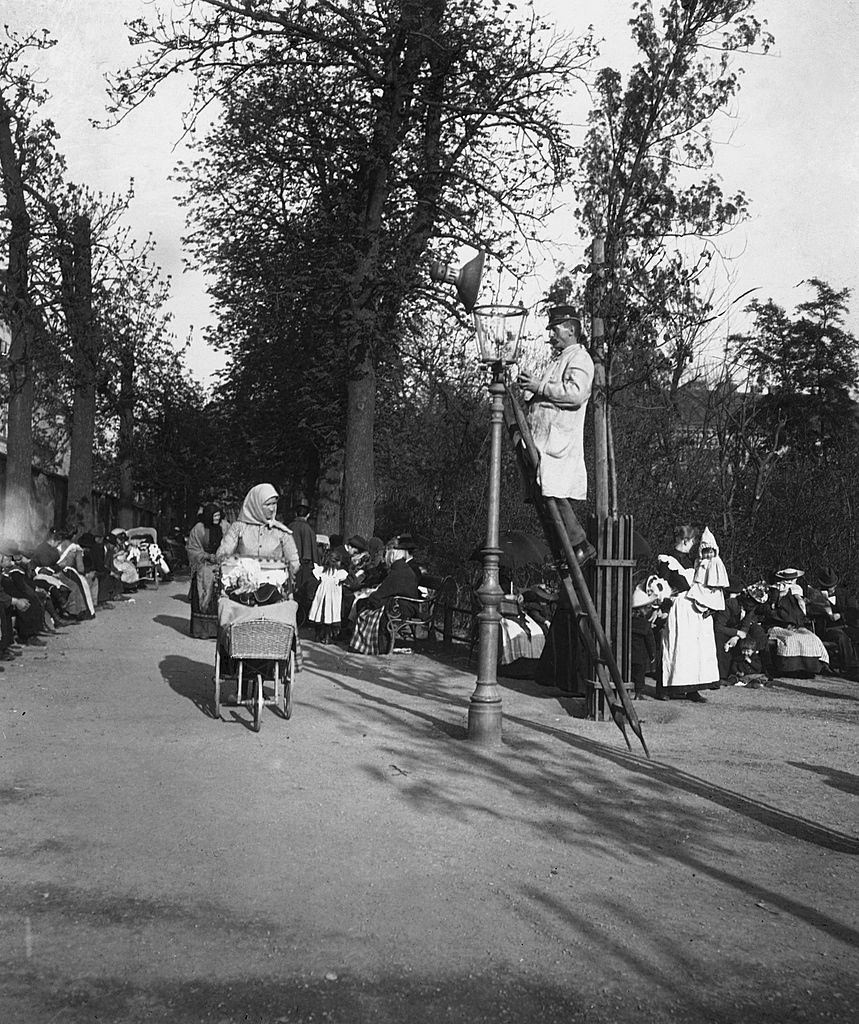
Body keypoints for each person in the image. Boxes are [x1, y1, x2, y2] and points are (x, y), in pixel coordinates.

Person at [517, 305, 596, 567]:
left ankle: (579, 544)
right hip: (542, 440)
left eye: (555, 329)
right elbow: (550, 391)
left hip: (557, 441)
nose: (551, 335)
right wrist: (532, 390)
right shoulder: (559, 359)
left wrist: (539, 386)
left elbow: (574, 393)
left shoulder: (580, 359)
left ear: (571, 329)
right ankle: (565, 548)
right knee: (543, 497)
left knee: (554, 494)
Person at [656, 525, 720, 701]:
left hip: (695, 608)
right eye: (692, 541)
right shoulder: (667, 559)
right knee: (675, 646)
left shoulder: (693, 561)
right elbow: (662, 587)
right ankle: (665, 689)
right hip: (679, 608)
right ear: (686, 541)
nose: (693, 545)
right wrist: (663, 609)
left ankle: (693, 688)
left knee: (694, 650)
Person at [216, 484, 300, 587]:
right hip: (242, 586)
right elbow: (222, 555)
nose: (272, 509)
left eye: (274, 504)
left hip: (273, 588)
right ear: (256, 505)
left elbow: (294, 564)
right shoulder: (238, 528)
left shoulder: (282, 532)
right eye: (268, 504)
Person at [349, 540, 422, 654]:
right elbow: (386, 591)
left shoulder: (398, 571)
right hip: (403, 604)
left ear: (392, 556)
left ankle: (368, 645)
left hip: (402, 606)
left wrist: (371, 600)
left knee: (364, 606)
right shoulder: (401, 568)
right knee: (364, 603)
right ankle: (362, 641)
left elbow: (383, 592)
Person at [187, 504, 223, 639]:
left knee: (217, 598)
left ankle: (216, 630)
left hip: (218, 567)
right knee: (202, 596)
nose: (217, 518)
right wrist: (207, 556)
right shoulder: (198, 529)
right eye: (214, 515)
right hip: (203, 566)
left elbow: (231, 544)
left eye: (219, 515)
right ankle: (201, 631)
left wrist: (221, 556)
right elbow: (192, 549)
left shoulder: (224, 527)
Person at [308, 549, 348, 644]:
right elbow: (347, 578)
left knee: (319, 614)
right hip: (333, 598)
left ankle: (318, 635)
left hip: (321, 596)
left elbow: (315, 576)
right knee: (330, 615)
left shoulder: (322, 571)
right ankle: (327, 636)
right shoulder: (339, 574)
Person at [289, 503, 320, 623]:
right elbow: (311, 551)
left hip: (288, 565)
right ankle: (303, 617)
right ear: (307, 515)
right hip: (304, 566)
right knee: (303, 591)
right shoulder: (308, 529)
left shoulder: (289, 527)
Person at [630, 587, 657, 699]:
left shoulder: (628, 622)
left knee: (629, 672)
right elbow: (650, 641)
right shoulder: (645, 624)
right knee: (640, 675)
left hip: (629, 654)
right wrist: (653, 655)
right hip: (641, 655)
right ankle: (638, 693)